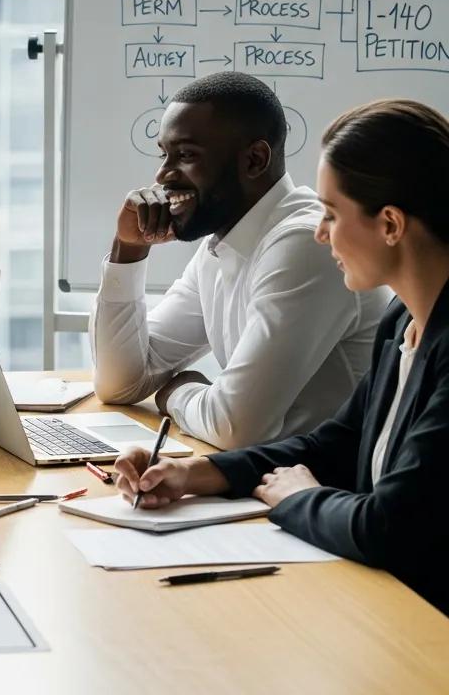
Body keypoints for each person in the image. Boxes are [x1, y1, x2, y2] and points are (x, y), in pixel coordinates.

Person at [114, 98, 449, 616]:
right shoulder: (402, 323)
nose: (321, 231)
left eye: (333, 215)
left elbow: (389, 527)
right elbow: (335, 443)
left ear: (390, 225)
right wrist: (194, 475)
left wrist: (297, 497)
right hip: (383, 601)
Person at [90, 72, 389, 449]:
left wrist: (180, 392)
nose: (163, 175)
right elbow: (119, 384)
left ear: (254, 160)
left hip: (326, 489)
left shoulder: (306, 242)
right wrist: (128, 250)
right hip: (268, 480)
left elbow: (234, 428)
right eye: (163, 154)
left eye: (186, 155)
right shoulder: (221, 245)